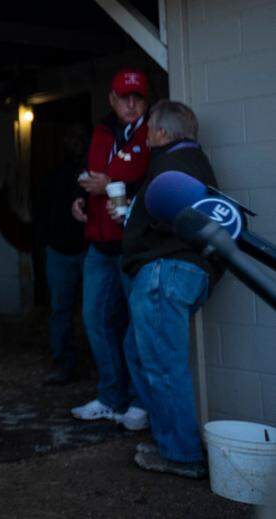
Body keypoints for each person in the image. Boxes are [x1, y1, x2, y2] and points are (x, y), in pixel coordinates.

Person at [118, 100, 219, 479]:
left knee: (163, 366)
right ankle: (170, 442)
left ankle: (181, 455)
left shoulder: (171, 166)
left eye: (149, 131)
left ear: (162, 132)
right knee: (141, 353)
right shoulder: (191, 161)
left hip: (165, 272)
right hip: (178, 272)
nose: (145, 137)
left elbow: (177, 218)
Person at [69, 68, 150, 429]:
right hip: (99, 243)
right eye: (124, 98)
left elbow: (155, 181)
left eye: (138, 98)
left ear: (146, 100)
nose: (131, 105)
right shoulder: (102, 131)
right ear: (112, 100)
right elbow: (92, 176)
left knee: (137, 325)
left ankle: (140, 402)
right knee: (95, 320)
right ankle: (110, 397)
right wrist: (80, 201)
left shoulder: (154, 131)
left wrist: (112, 184)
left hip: (133, 244)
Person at [33, 125, 89, 386]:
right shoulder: (53, 175)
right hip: (59, 250)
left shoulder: (96, 174)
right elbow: (42, 211)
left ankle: (104, 367)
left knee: (97, 312)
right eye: (70, 138)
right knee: (61, 311)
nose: (74, 143)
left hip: (90, 250)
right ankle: (63, 363)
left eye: (78, 138)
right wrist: (46, 241)